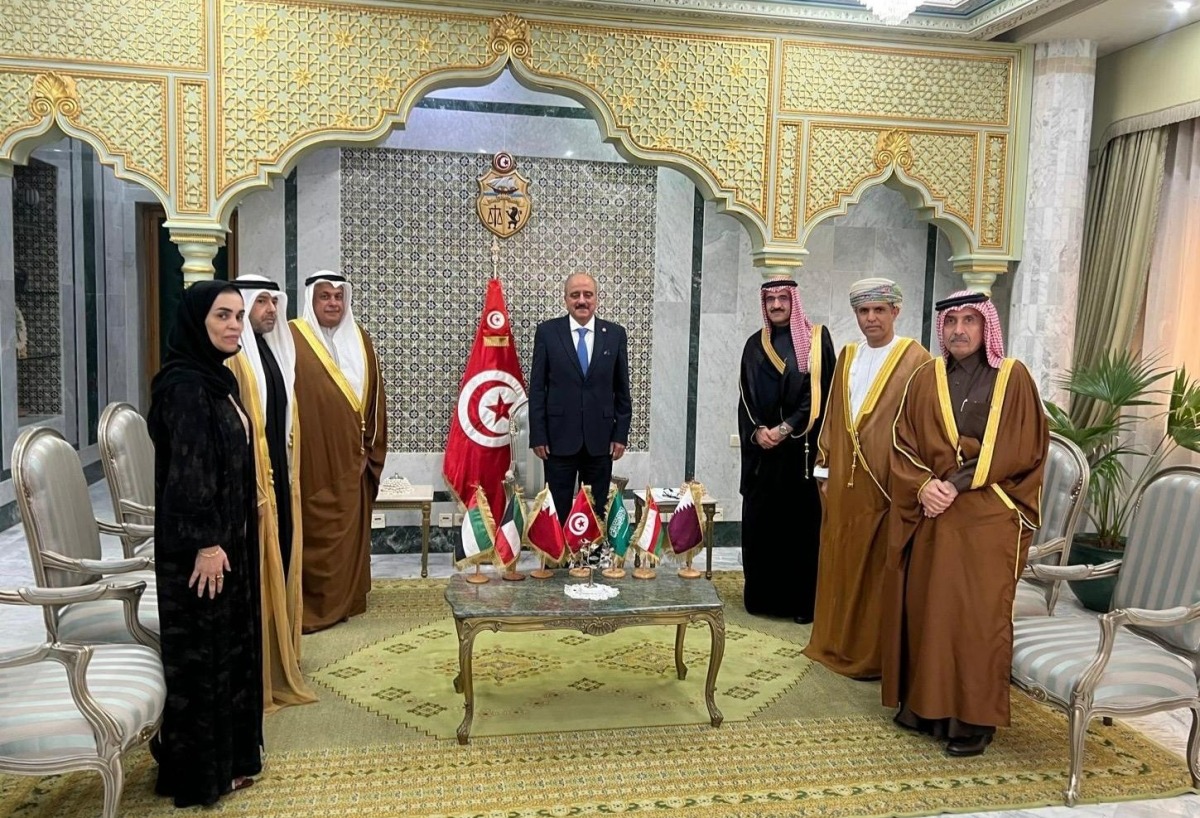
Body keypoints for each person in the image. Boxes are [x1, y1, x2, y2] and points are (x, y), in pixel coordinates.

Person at [882, 290, 1048, 758]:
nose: (958, 330)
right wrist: (922, 487)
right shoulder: (925, 378)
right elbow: (901, 445)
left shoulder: (1012, 378)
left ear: (986, 326)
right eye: (951, 321)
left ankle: (974, 719)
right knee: (928, 600)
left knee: (974, 614)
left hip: (992, 506)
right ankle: (925, 707)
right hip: (933, 507)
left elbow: (1022, 447)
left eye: (969, 320)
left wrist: (954, 483)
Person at [147, 280, 262, 807]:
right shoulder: (184, 386)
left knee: (228, 651)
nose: (234, 325)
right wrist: (209, 543)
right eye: (223, 316)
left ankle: (230, 761)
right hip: (201, 551)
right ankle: (199, 775)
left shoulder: (217, 380)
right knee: (204, 658)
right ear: (198, 321)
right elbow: (189, 478)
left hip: (224, 542)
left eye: (239, 316)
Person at [805, 278, 929, 679]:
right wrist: (823, 467)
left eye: (879, 310)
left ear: (896, 310)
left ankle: (875, 654)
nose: (871, 318)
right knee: (840, 559)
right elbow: (833, 416)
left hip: (889, 487)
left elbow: (925, 427)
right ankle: (837, 641)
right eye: (863, 311)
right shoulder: (848, 354)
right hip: (843, 483)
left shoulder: (917, 358)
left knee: (879, 568)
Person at [228, 275, 317, 712]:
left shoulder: (270, 350)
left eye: (271, 301)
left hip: (276, 473)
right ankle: (258, 666)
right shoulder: (236, 359)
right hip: (249, 483)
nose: (268, 310)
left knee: (280, 556)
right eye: (259, 302)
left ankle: (280, 653)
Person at [290, 271, 387, 633]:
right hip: (310, 461)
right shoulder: (292, 338)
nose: (332, 303)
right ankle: (313, 605)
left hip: (353, 460)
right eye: (324, 296)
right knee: (313, 534)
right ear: (310, 301)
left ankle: (347, 599)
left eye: (337, 296)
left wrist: (370, 449)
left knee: (348, 533)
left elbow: (376, 400)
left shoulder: (360, 339)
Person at [737, 277, 835, 624]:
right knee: (762, 526)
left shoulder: (815, 340)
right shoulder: (754, 345)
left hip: (799, 453)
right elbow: (746, 397)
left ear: (794, 302)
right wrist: (759, 432)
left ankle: (800, 604)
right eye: (770, 300)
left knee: (800, 529)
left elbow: (821, 393)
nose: (776, 305)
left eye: (782, 299)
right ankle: (763, 599)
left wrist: (786, 427)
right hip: (764, 456)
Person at [528, 272, 631, 523]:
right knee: (558, 507)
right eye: (575, 295)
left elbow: (622, 389)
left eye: (588, 295)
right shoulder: (548, 333)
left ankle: (592, 558)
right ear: (565, 300)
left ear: (596, 299)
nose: (582, 301)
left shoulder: (615, 334)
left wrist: (620, 435)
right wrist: (538, 435)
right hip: (558, 439)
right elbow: (537, 389)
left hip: (601, 439)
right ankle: (558, 561)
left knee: (595, 509)